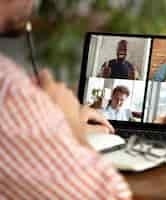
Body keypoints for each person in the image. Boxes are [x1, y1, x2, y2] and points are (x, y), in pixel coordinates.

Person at [0, 1, 132, 199]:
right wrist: (71, 125)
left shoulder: (130, 69)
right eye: (119, 50)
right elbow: (112, 195)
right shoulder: (11, 93)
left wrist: (53, 125)